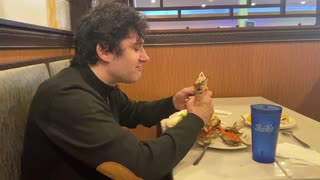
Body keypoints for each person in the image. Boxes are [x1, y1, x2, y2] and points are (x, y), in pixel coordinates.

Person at [21, 2, 213, 180]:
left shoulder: (97, 83)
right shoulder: (68, 97)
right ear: (104, 51)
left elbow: (132, 112)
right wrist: (196, 118)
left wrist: (173, 103)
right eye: (137, 48)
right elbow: (145, 164)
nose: (146, 57)